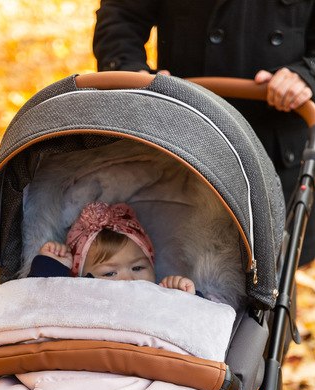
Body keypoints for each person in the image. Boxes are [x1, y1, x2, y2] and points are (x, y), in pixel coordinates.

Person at [92, 1, 315, 266]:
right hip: (184, 136)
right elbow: (121, 14)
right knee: (168, 256)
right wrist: (130, 71)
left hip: (274, 145)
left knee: (273, 266)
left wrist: (306, 73)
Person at [28, 201, 197, 293]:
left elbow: (192, 321)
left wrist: (183, 296)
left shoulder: (158, 296)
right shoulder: (80, 294)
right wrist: (51, 265)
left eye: (138, 268)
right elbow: (41, 298)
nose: (128, 280)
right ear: (79, 278)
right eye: (109, 273)